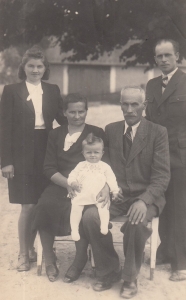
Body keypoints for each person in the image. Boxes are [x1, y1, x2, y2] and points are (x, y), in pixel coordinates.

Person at [68, 86, 170, 299]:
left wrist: (143, 200)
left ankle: (130, 277)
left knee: (136, 222)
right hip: (116, 193)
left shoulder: (157, 132)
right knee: (90, 216)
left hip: (146, 196)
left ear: (144, 106)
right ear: (120, 105)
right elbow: (104, 164)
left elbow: (162, 176)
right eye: (125, 104)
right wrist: (106, 186)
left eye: (135, 104)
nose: (130, 109)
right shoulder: (111, 129)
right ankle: (108, 270)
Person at [0, 46, 67, 272]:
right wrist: (6, 161)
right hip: (21, 154)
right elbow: (4, 128)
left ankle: (42, 249)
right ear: (24, 68)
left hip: (46, 151)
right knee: (27, 205)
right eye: (31, 66)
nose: (35, 70)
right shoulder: (11, 90)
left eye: (40, 66)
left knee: (43, 203)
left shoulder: (52, 90)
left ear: (45, 68)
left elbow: (64, 119)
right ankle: (23, 252)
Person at [32, 93, 109, 282]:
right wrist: (67, 183)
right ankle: (50, 259)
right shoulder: (56, 134)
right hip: (61, 183)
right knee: (44, 205)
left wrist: (104, 186)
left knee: (85, 211)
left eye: (81, 111)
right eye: (72, 112)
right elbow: (48, 167)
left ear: (86, 112)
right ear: (64, 112)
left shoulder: (96, 131)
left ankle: (79, 259)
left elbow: (106, 164)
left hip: (89, 185)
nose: (77, 116)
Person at [145, 39, 186, 281]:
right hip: (156, 157)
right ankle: (166, 251)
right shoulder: (152, 85)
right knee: (163, 205)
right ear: (155, 59)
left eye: (168, 55)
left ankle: (184, 261)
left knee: (182, 208)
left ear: (177, 56)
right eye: (160, 56)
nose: (164, 60)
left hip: (179, 155)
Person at [68, 133, 119, 241]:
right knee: (76, 208)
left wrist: (115, 191)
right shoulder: (81, 165)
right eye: (89, 152)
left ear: (102, 153)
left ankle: (104, 225)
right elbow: (72, 175)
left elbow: (111, 179)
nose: (93, 155)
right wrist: (73, 182)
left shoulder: (105, 166)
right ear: (83, 153)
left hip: (97, 194)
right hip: (82, 192)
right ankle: (74, 229)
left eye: (96, 152)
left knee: (103, 207)